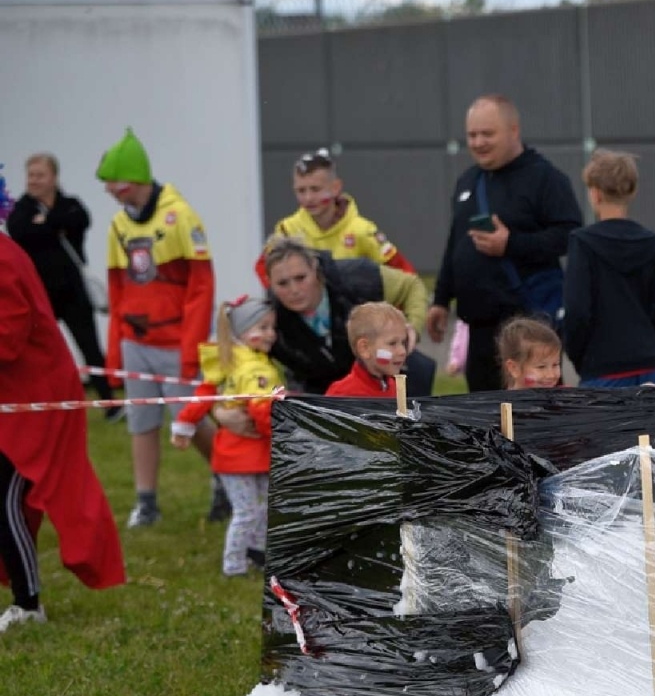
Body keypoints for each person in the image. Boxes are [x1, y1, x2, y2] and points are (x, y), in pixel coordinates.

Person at [0, 232, 125, 630]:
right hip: (17, 396)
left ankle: (28, 603)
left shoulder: (3, 256)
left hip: (37, 399)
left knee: (6, 498)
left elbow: (9, 336)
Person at [96, 127, 218, 528]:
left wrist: (190, 348)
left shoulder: (181, 217)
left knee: (190, 417)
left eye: (116, 181)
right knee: (141, 421)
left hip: (175, 342)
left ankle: (228, 478)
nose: (111, 190)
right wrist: (115, 353)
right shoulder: (118, 226)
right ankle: (146, 501)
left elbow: (201, 287)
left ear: (135, 178)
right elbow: (117, 292)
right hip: (136, 342)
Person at [427, 94, 583, 392]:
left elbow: (569, 236)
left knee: (536, 420)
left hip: (527, 329)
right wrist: (440, 299)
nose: (478, 142)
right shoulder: (468, 181)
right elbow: (455, 242)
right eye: (472, 135)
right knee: (485, 421)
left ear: (514, 131)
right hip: (480, 330)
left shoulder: (545, 178)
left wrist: (512, 244)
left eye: (487, 133)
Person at [171, 296, 283, 576]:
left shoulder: (229, 364)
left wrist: (184, 425)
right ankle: (233, 565)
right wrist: (284, 430)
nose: (270, 334)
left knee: (261, 508)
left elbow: (202, 397)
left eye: (272, 327)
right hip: (241, 457)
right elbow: (262, 411)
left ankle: (256, 553)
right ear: (242, 332)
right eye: (263, 327)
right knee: (248, 512)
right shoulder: (254, 369)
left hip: (244, 455)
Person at [5, 153, 117, 407]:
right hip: (38, 295)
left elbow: (81, 220)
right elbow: (19, 230)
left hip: (73, 291)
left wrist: (46, 223)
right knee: (40, 352)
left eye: (40, 175)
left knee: (90, 348)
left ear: (53, 178)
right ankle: (40, 402)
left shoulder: (70, 203)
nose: (33, 181)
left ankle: (109, 403)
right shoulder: (20, 209)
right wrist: (54, 226)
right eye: (30, 175)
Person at [562, 149, 655, 387]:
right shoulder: (653, 243)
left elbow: (577, 312)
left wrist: (579, 356)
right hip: (647, 365)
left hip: (600, 367)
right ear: (632, 191)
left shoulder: (583, 243)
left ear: (595, 194)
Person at [261, 236, 435, 395]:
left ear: (315, 268)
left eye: (301, 278)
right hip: (328, 392)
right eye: (282, 283)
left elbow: (411, 285)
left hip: (391, 374)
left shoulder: (357, 276)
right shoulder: (267, 320)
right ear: (270, 284)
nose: (294, 290)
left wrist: (413, 326)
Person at [252, 147, 417, 287]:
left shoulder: (362, 231)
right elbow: (262, 268)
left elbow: (405, 276)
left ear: (335, 188)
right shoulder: (287, 230)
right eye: (301, 191)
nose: (308, 198)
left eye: (315, 189)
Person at [326, 302, 411, 399]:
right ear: (364, 348)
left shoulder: (393, 386)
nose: (402, 351)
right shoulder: (342, 394)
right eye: (392, 343)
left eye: (403, 342)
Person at [498, 317, 565, 390]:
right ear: (514, 368)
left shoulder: (564, 399)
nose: (551, 375)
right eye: (541, 367)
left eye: (555, 365)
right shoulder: (507, 401)